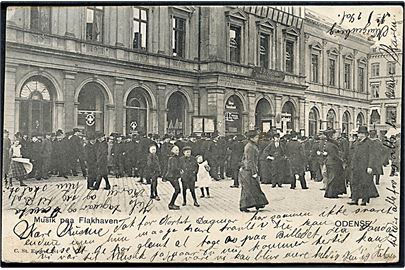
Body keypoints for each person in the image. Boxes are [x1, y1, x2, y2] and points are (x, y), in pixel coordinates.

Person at [238, 130, 269, 212]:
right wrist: (254, 172)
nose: (257, 138)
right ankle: (244, 206)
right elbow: (250, 160)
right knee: (248, 188)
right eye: (256, 137)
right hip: (248, 170)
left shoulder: (251, 145)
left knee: (254, 187)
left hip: (247, 169)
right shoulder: (250, 147)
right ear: (251, 138)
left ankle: (258, 203)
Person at [348, 126, 379, 206]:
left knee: (365, 183)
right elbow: (351, 153)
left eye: (362, 133)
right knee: (354, 183)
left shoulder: (370, 143)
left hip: (365, 167)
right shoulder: (356, 142)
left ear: (365, 134)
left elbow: (372, 155)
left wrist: (370, 166)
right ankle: (354, 199)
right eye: (359, 133)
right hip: (355, 167)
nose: (360, 135)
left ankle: (364, 200)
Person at [322, 128, 347, 198]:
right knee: (333, 178)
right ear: (331, 135)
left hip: (330, 162)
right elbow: (334, 155)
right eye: (334, 134)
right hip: (334, 163)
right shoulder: (331, 144)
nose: (335, 136)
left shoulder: (329, 143)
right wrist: (341, 161)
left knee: (332, 177)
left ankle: (331, 192)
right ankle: (331, 193)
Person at [165, 145, 182, 210]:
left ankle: (172, 204)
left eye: (178, 150)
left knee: (178, 190)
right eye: (176, 150)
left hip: (173, 176)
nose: (177, 151)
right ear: (172, 151)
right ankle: (171, 204)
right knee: (177, 190)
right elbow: (173, 168)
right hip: (172, 176)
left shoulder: (174, 158)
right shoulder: (172, 158)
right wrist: (180, 170)